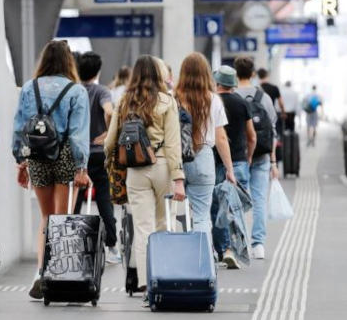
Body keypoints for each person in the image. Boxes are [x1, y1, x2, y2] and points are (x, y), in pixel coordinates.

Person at [13, 40, 91, 299]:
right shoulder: (76, 91)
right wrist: (82, 166)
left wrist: (21, 161)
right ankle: (59, 274)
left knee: (46, 218)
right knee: (63, 218)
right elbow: (78, 134)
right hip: (66, 154)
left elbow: (20, 127)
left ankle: (40, 272)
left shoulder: (28, 88)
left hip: (37, 155)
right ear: (68, 61)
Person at [104, 56, 185, 296]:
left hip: (135, 171)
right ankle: (161, 275)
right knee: (162, 225)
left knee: (142, 228)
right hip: (162, 168)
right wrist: (178, 178)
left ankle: (144, 281)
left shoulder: (124, 100)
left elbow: (110, 142)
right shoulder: (167, 101)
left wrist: (109, 161)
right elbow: (173, 144)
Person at [174, 54, 237, 246]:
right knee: (201, 215)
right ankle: (201, 263)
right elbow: (221, 138)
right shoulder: (214, 100)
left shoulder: (172, 98)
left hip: (175, 160)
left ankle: (175, 258)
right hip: (203, 157)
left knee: (171, 214)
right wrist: (229, 169)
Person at [73, 51, 122, 264]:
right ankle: (111, 246)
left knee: (74, 201)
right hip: (98, 154)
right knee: (104, 200)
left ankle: (72, 243)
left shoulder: (74, 91)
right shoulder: (102, 91)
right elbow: (109, 112)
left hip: (77, 155)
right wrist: (108, 133)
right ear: (98, 71)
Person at [234, 57, 279, 260]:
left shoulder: (230, 95)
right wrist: (274, 161)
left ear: (236, 73)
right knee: (259, 198)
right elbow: (272, 130)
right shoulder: (264, 97)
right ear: (253, 74)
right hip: (261, 154)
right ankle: (258, 244)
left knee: (236, 200)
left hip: (238, 155)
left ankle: (240, 242)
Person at [212, 65, 256, 268]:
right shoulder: (241, 103)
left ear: (217, 82)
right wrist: (249, 158)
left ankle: (224, 249)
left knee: (217, 209)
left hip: (214, 162)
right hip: (238, 162)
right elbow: (252, 136)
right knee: (236, 208)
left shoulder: (212, 102)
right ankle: (240, 248)